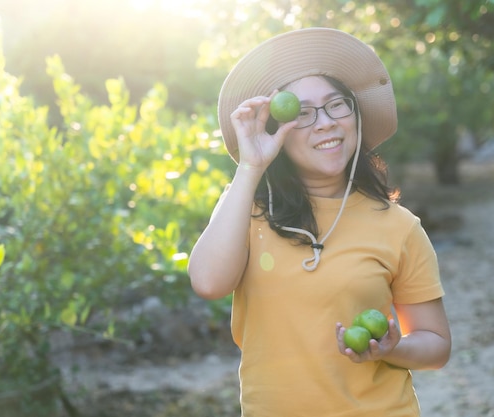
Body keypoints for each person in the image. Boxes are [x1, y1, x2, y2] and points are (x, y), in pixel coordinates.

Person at [188, 27, 451, 416]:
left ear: (355, 116)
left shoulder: (399, 226)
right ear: (278, 128)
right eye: (303, 112)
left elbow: (436, 345)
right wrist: (250, 166)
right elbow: (208, 283)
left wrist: (393, 348)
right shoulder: (246, 209)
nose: (325, 122)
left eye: (336, 105)